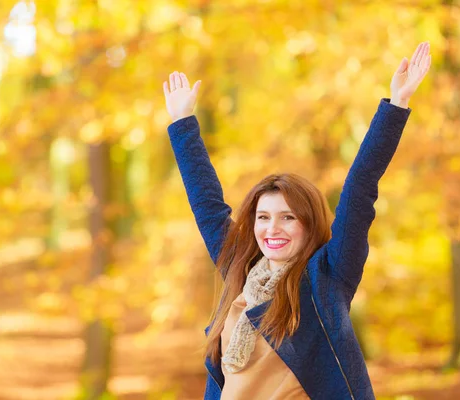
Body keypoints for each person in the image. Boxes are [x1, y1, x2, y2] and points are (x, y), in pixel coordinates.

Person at [163, 42, 431, 400]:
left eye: (287, 217)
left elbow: (360, 187)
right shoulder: (239, 270)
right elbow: (207, 204)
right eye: (263, 217)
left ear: (307, 222)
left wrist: (396, 105)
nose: (271, 228)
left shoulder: (327, 277)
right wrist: (182, 123)